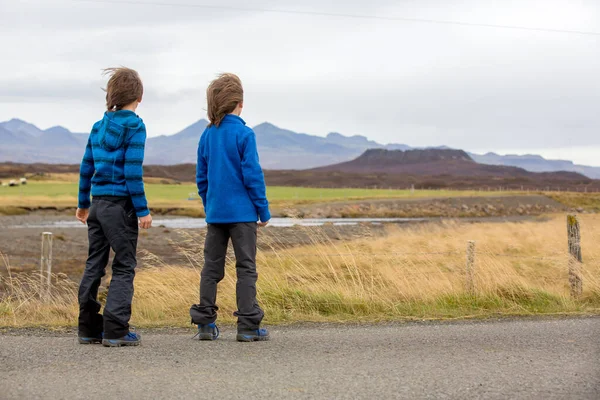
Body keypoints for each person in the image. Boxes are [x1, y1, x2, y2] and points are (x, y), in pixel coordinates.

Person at [190, 73, 270, 342]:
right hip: (243, 215)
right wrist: (263, 210)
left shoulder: (207, 134)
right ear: (240, 103)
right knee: (246, 267)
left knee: (211, 268)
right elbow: (252, 175)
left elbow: (201, 178)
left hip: (216, 214)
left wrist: (209, 204)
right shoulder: (245, 134)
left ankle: (205, 326)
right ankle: (248, 327)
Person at [76, 67, 152, 347]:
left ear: (112, 96)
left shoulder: (98, 126)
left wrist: (83, 204)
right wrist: (142, 210)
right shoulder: (135, 126)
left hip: (97, 206)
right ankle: (116, 330)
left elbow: (86, 167)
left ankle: (88, 328)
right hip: (121, 208)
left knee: (94, 264)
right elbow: (132, 172)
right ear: (139, 97)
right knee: (124, 266)